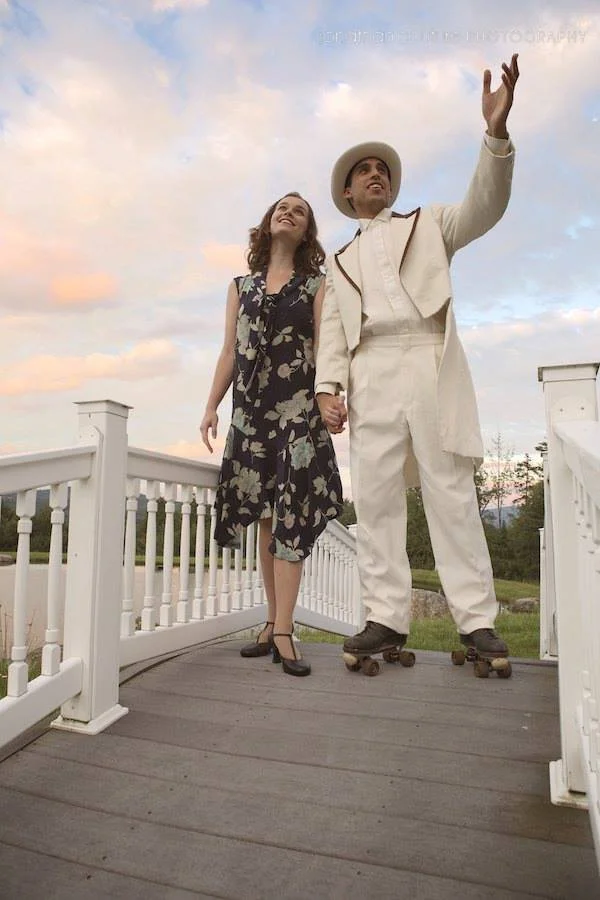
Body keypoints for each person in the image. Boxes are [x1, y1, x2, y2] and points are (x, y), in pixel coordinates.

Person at [315, 55, 520, 663]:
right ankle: (385, 618)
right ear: (347, 192)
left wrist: (496, 135)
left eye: (382, 170)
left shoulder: (430, 223)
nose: (375, 175)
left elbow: (486, 205)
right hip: (369, 370)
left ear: (392, 186)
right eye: (363, 172)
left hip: (429, 358)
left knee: (449, 490)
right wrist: (329, 387)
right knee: (374, 498)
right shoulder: (340, 259)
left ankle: (477, 622)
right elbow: (332, 330)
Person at [200, 192, 343, 677]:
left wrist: (331, 396)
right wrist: (211, 407)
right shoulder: (240, 286)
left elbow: (326, 347)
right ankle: (271, 622)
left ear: (306, 233)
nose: (289, 212)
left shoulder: (317, 286)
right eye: (282, 207)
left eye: (299, 211)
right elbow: (227, 352)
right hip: (251, 415)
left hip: (298, 412)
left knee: (291, 515)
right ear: (268, 223)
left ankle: (284, 629)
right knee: (264, 517)